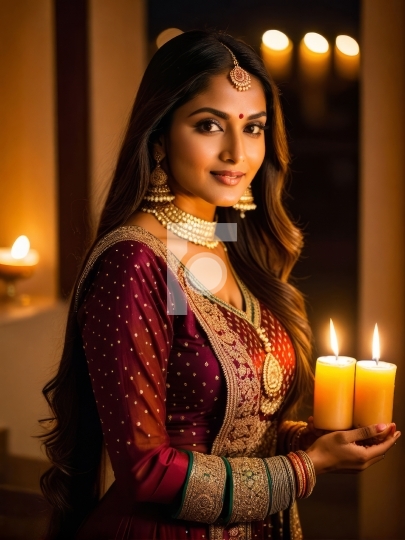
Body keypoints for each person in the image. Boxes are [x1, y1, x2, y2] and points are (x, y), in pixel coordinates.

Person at [40, 31, 400, 540]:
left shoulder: (223, 238)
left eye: (253, 128)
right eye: (209, 125)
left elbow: (228, 426)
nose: (237, 152)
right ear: (159, 136)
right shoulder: (135, 261)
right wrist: (307, 466)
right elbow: (147, 470)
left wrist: (315, 440)